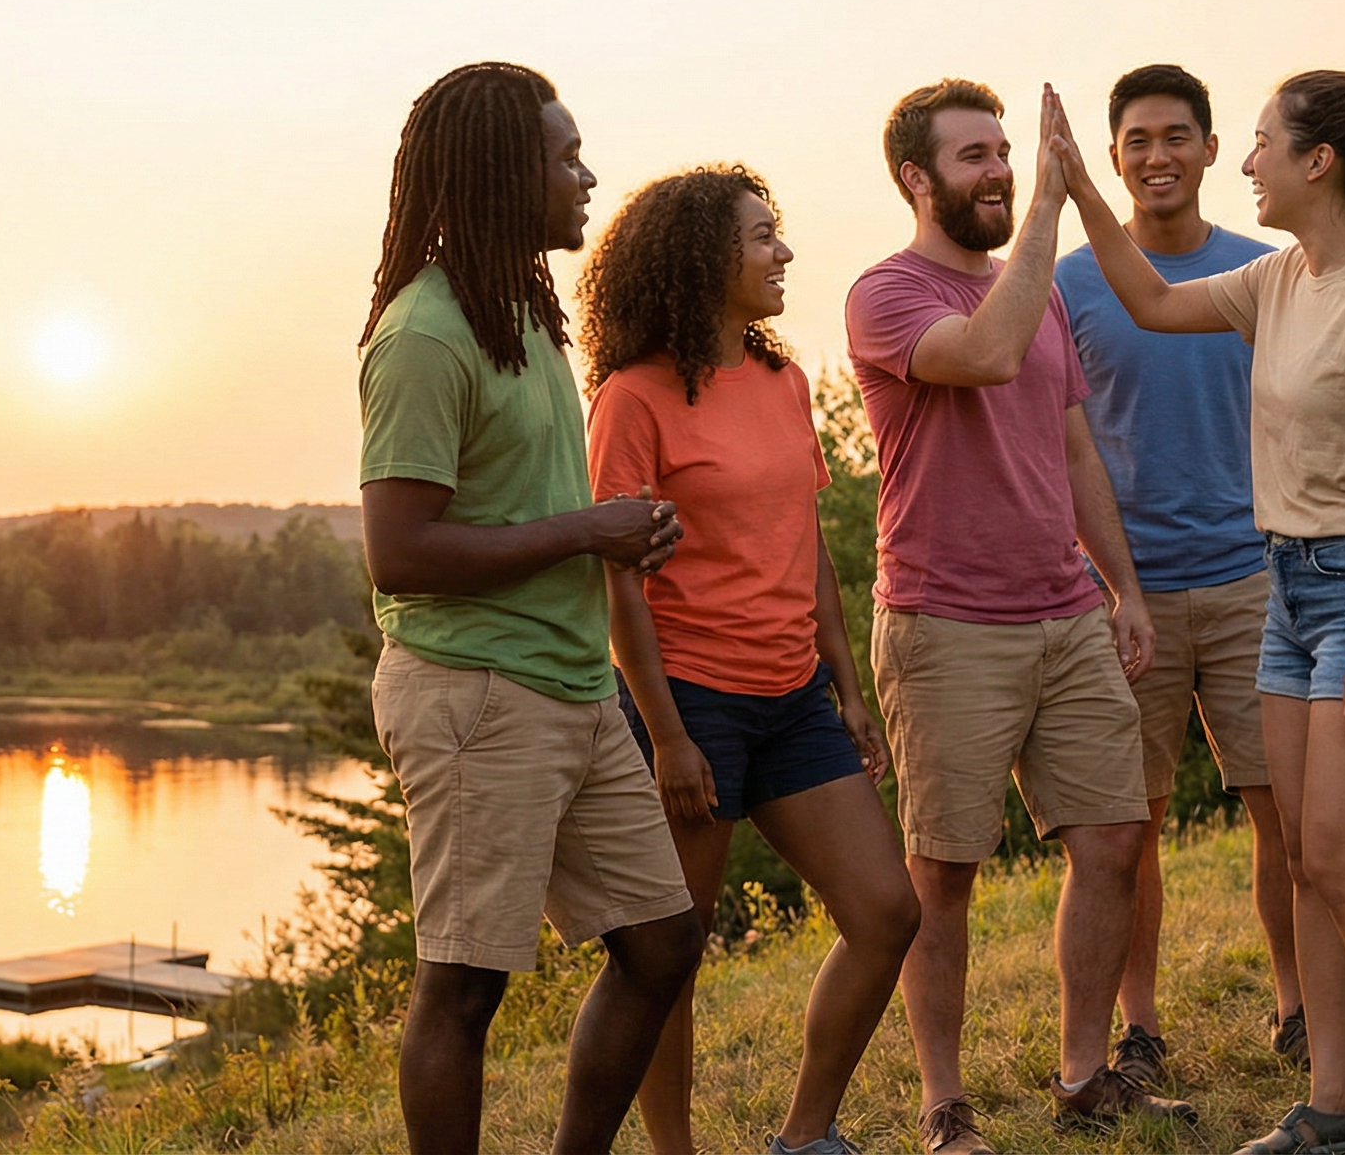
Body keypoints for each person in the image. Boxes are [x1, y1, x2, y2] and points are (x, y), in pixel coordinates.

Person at [1078, 70, 1345, 1155]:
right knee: (1302, 859)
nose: (1243, 163)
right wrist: (1073, 183)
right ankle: (1333, 1107)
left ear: (1317, 162)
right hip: (1289, 590)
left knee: (1343, 862)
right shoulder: (1280, 277)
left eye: (1256, 144)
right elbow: (1151, 300)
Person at [354, 61, 710, 1155]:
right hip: (475, 696)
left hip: (568, 684)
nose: (585, 173)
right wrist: (586, 530)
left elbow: (535, 507)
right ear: (508, 173)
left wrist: (615, 528)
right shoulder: (424, 334)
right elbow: (399, 552)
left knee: (661, 943)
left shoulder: (524, 311)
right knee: (462, 988)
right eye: (564, 156)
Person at [843, 79, 1185, 1151]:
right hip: (946, 625)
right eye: (973, 158)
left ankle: (1085, 1071)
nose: (996, 171)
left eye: (1004, 152)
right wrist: (1049, 199)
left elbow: (1072, 444)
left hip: (1066, 612)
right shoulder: (886, 295)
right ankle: (945, 1102)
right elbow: (981, 356)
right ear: (916, 178)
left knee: (1116, 840)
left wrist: (1120, 584)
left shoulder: (1036, 293)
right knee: (943, 872)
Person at [577, 164, 923, 1155]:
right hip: (688, 702)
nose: (784, 253)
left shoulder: (780, 379)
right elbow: (621, 583)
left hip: (792, 696)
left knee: (886, 911)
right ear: (698, 259)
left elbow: (804, 540)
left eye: (779, 233)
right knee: (666, 956)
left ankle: (804, 1136)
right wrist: (670, 738)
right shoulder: (633, 398)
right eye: (762, 236)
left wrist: (846, 689)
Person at [1051, 63, 1304, 1086]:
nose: (1156, 156)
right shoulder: (1068, 285)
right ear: (1113, 160)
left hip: (1255, 578)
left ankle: (1298, 1003)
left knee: (1280, 809)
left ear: (1210, 149)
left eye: (1175, 137)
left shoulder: (1267, 271)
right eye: (1136, 141)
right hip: (1124, 598)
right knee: (1129, 826)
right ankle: (1140, 1025)